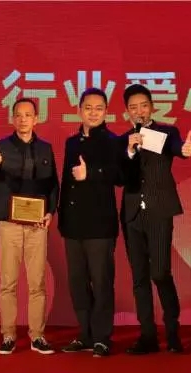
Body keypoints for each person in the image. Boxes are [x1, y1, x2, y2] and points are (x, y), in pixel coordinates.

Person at [120, 84, 191, 355]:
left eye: (143, 105)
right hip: (132, 215)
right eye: (133, 107)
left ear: (152, 107)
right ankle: (148, 336)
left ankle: (172, 332)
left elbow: (177, 147)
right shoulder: (124, 140)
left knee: (160, 272)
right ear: (127, 112)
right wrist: (130, 152)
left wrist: (185, 150)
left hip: (159, 212)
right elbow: (120, 175)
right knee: (139, 277)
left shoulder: (167, 132)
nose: (139, 111)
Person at [0, 98, 59, 355]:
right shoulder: (1, 146)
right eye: (18, 115)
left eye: (28, 115)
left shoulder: (46, 149)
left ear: (36, 119)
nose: (23, 119)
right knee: (8, 282)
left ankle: (38, 335)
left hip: (37, 223)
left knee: (37, 283)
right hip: (9, 222)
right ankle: (8, 335)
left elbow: (53, 185)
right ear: (12, 119)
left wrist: (50, 211)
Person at [58, 88, 123, 357]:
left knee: (101, 281)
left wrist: (91, 173)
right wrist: (61, 215)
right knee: (78, 283)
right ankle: (84, 335)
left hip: (100, 225)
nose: (93, 113)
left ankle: (102, 337)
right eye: (88, 108)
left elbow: (120, 176)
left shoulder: (113, 141)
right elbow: (66, 182)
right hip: (73, 225)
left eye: (99, 108)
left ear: (106, 112)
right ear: (79, 110)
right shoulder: (71, 143)